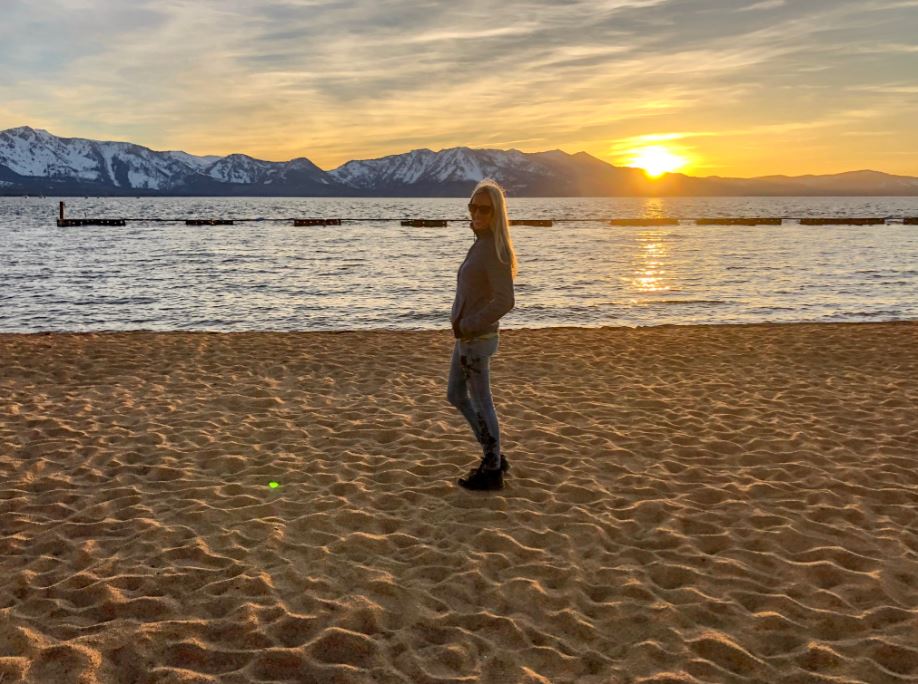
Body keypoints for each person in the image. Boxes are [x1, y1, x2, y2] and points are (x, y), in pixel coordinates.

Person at [448, 178, 518, 491]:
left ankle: (492, 466)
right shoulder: (480, 242)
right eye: (473, 206)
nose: (477, 213)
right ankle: (494, 454)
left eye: (484, 208)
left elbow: (506, 300)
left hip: (477, 338)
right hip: (466, 337)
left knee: (481, 400)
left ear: (496, 213)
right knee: (455, 395)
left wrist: (472, 323)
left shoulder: (493, 249)